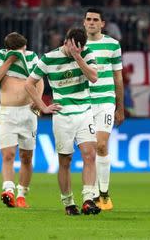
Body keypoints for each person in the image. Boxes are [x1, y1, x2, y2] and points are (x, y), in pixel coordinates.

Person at [25, 28, 101, 215]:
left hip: (84, 112)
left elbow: (93, 77)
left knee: (90, 154)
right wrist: (43, 106)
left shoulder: (86, 54)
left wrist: (78, 57)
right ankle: (68, 202)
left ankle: (88, 199)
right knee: (65, 160)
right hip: (62, 115)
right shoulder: (49, 58)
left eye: (80, 48)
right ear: (65, 41)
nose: (76, 49)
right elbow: (29, 83)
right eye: (73, 46)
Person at [0, 32, 42, 208]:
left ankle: (22, 194)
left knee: (26, 157)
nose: (21, 52)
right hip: (7, 113)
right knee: (8, 154)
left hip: (28, 112)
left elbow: (39, 80)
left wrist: (38, 100)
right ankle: (8, 190)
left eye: (22, 49)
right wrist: (9, 60)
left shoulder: (32, 56)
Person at [83, 8, 124, 210]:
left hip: (106, 100)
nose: (91, 22)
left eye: (95, 20)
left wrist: (120, 107)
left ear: (102, 23)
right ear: (84, 23)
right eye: (88, 19)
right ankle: (91, 194)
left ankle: (104, 194)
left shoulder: (113, 45)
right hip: (83, 102)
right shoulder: (77, 45)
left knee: (100, 145)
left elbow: (118, 78)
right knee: (89, 150)